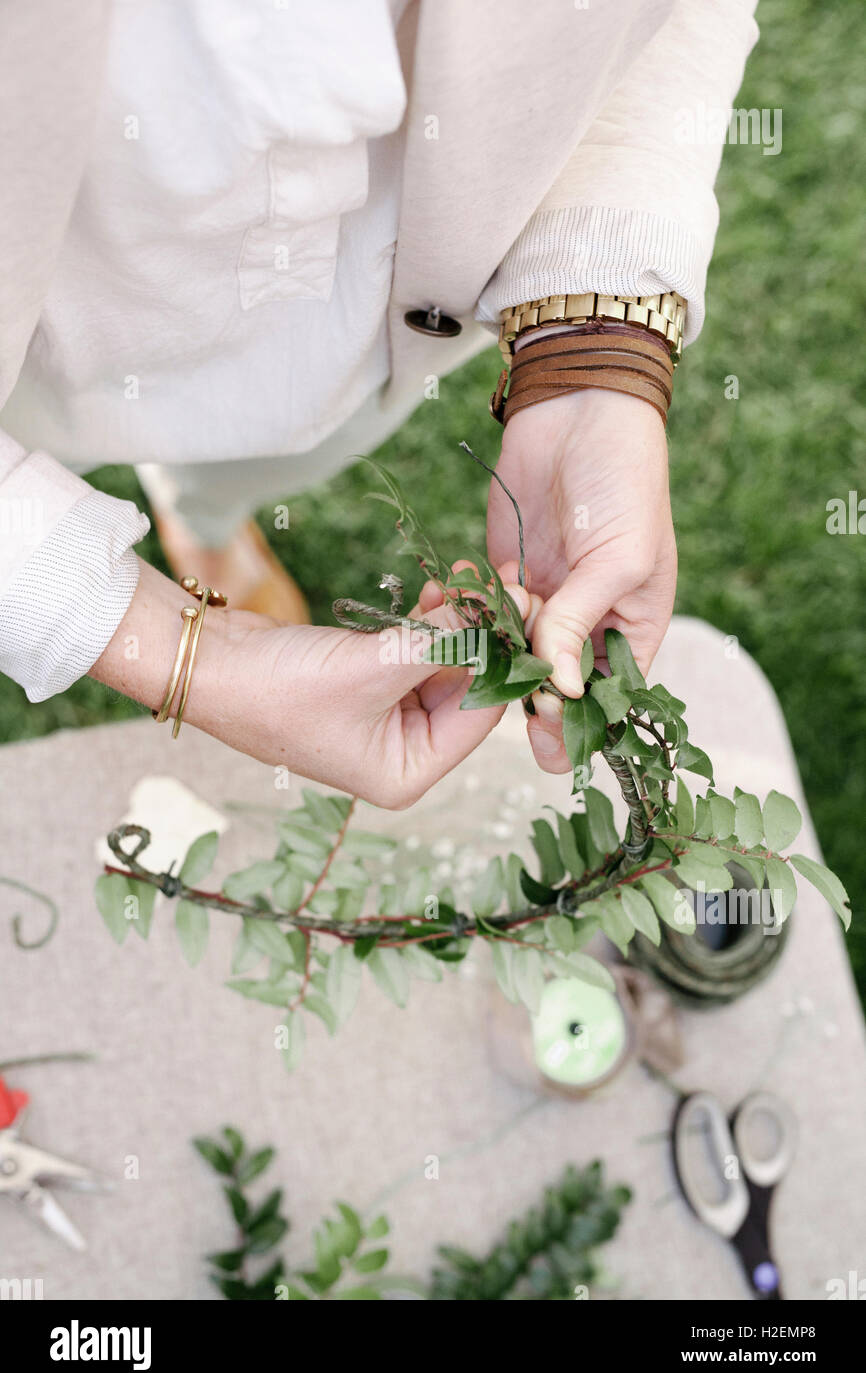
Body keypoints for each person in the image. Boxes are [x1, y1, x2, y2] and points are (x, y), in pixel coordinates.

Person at [0, 0, 759, 806]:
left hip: (376, 312)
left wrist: (586, 358)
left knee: (292, 442)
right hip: (43, 328)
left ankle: (206, 516)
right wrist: (185, 652)